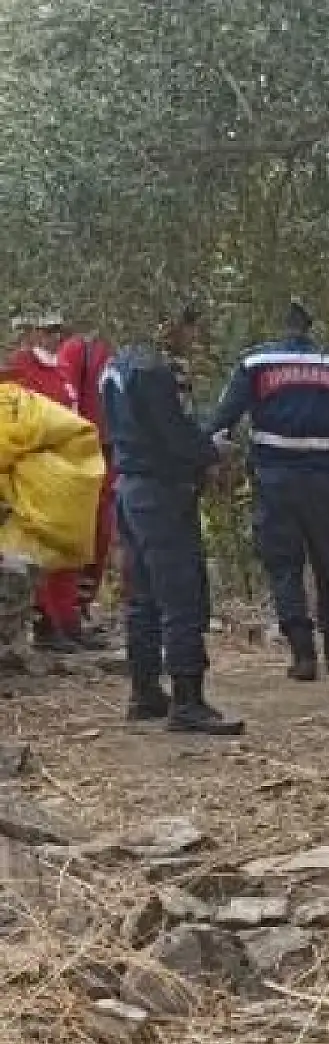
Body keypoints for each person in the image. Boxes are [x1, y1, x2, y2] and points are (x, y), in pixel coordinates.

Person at [209, 300, 329, 680]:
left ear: (283, 328)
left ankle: (303, 654)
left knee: (284, 564)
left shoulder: (256, 363)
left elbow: (222, 419)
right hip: (325, 482)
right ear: (310, 329)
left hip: (274, 480)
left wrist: (205, 459)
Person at [102, 304, 244, 735]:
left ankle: (145, 691)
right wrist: (213, 451)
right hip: (161, 493)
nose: (193, 338)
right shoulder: (153, 372)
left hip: (130, 487)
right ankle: (188, 700)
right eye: (191, 328)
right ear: (172, 323)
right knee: (181, 594)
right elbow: (174, 436)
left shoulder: (116, 365)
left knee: (142, 595)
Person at [3, 309, 102, 652]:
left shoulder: (60, 369)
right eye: (47, 331)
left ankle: (68, 620)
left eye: (58, 331)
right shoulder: (19, 368)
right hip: (38, 471)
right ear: (32, 332)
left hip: (68, 472)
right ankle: (47, 623)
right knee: (42, 548)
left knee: (70, 548)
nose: (53, 337)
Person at [59, 329, 116, 621]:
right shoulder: (79, 348)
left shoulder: (118, 347)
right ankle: (70, 609)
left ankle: (81, 605)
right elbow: (67, 398)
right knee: (86, 529)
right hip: (87, 451)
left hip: (115, 451)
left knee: (103, 532)